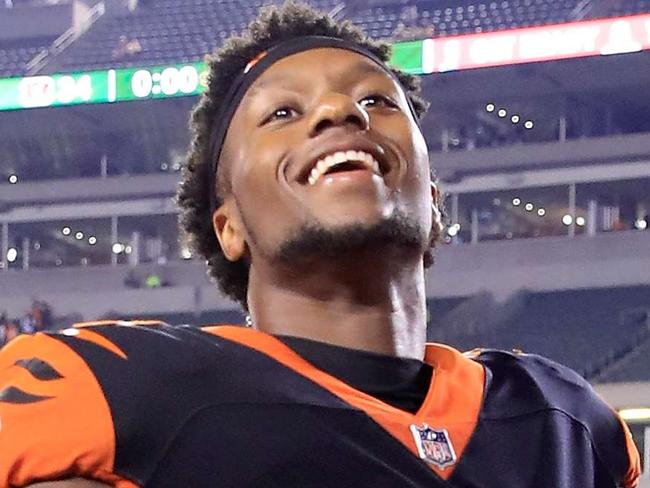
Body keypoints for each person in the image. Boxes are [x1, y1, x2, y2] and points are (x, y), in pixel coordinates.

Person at [0, 3, 640, 487]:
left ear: (435, 202)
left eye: (376, 100)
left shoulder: (569, 423)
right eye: (282, 113)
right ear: (228, 226)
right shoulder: (109, 387)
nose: (341, 113)